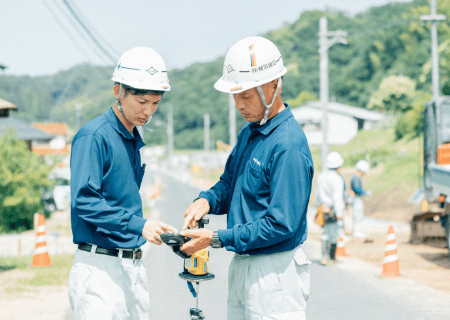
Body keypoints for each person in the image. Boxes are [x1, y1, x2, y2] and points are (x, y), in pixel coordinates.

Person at [179, 36, 314, 320]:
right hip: (244, 264)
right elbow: (229, 185)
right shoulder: (250, 132)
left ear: (273, 86)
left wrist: (215, 238)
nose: (238, 104)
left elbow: (280, 225)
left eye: (246, 96)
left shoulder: (288, 145)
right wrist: (206, 201)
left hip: (274, 272)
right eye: (235, 96)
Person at [69, 47, 177, 320]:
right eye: (142, 102)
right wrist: (139, 224)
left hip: (132, 265)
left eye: (155, 103)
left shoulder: (131, 138)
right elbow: (84, 200)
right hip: (100, 268)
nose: (148, 111)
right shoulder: (94, 136)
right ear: (118, 91)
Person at [315, 152, 345, 265]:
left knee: (325, 233)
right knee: (334, 234)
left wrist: (318, 208)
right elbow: (338, 198)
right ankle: (332, 257)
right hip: (333, 210)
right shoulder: (337, 179)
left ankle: (324, 256)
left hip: (323, 209)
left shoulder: (321, 176)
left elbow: (317, 195)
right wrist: (340, 215)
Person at [351, 160, 372, 238]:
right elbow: (357, 188)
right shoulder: (356, 178)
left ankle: (358, 230)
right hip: (356, 199)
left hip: (357, 198)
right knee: (357, 215)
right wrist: (365, 192)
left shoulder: (356, 177)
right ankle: (356, 231)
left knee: (359, 215)